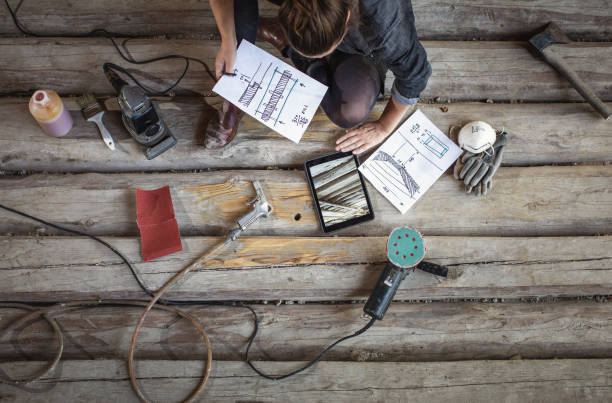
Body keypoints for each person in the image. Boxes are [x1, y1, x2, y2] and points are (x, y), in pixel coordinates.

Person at [206, 0, 431, 154]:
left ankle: (285, 43)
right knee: (238, 32)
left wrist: (384, 126)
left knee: (350, 111)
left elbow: (416, 73)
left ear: (347, 18)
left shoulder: (385, 25)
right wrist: (229, 41)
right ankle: (267, 50)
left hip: (363, 44)